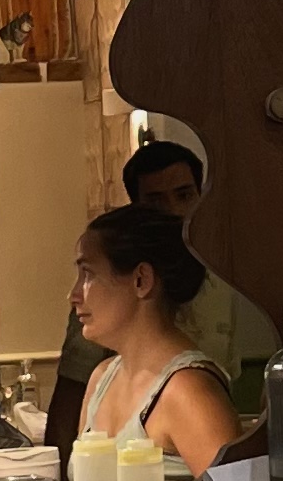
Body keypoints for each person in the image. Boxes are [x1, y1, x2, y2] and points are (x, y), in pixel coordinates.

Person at [49, 137, 215, 451]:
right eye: (156, 201)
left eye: (184, 195)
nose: (173, 211)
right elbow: (69, 392)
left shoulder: (188, 387)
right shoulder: (101, 377)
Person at [68, 202, 239, 481]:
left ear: (141, 280)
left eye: (89, 275)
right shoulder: (102, 378)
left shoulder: (187, 390)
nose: (74, 295)